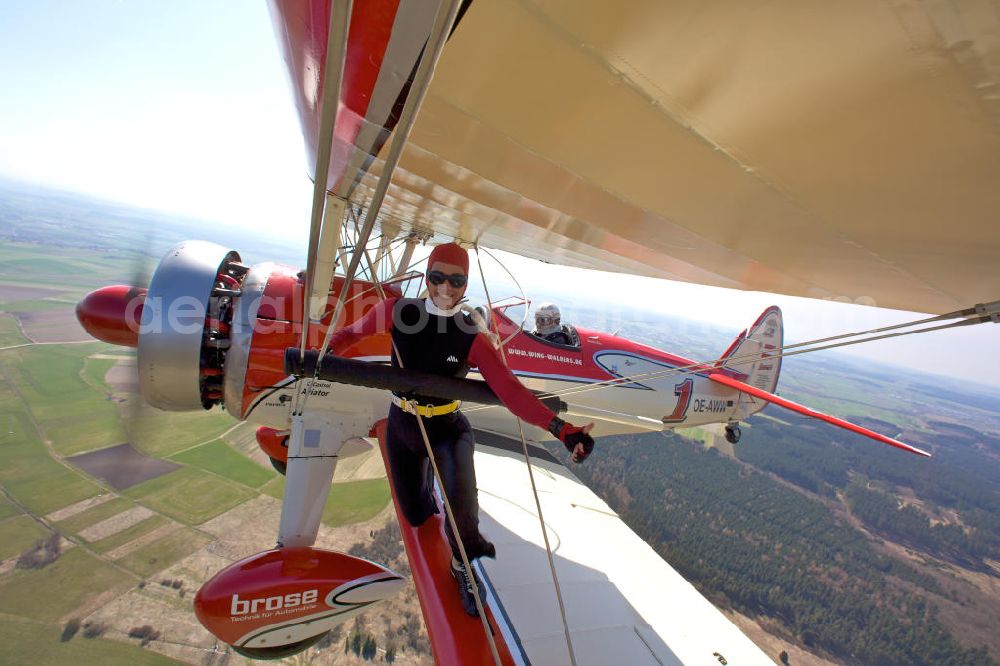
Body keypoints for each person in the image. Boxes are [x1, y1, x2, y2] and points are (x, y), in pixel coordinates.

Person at [328, 243, 595, 616]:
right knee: (417, 514)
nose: (446, 288)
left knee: (462, 515)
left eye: (456, 281)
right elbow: (349, 335)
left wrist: (561, 429)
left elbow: (510, 391)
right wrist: (317, 356)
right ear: (426, 277)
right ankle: (433, 491)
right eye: (437, 278)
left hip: (447, 429)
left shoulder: (469, 335)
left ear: (466, 284)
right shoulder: (396, 311)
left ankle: (462, 565)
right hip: (403, 426)